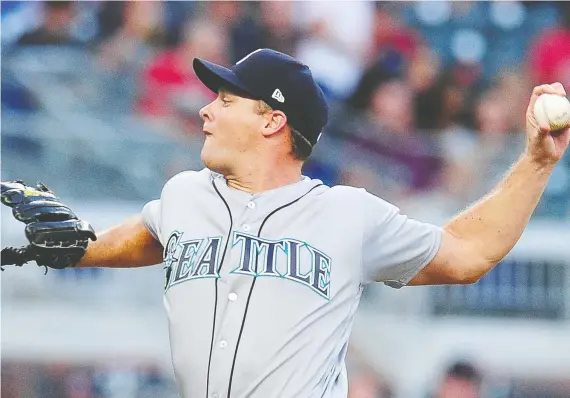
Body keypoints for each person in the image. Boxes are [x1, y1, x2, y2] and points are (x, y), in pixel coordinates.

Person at [1, 49, 569, 398]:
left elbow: (467, 253)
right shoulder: (184, 196)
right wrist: (76, 248)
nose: (206, 109)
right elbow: (145, 237)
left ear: (273, 120)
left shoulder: (348, 213)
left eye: (226, 100)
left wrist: (537, 162)